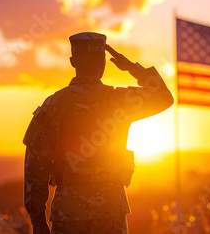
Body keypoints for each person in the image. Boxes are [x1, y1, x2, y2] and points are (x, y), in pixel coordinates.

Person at [23, 32, 174, 234]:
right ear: (103, 62)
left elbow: (36, 166)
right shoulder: (119, 100)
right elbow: (163, 96)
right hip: (111, 213)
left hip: (68, 214)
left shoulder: (53, 105)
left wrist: (38, 220)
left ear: (73, 61)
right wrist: (131, 67)